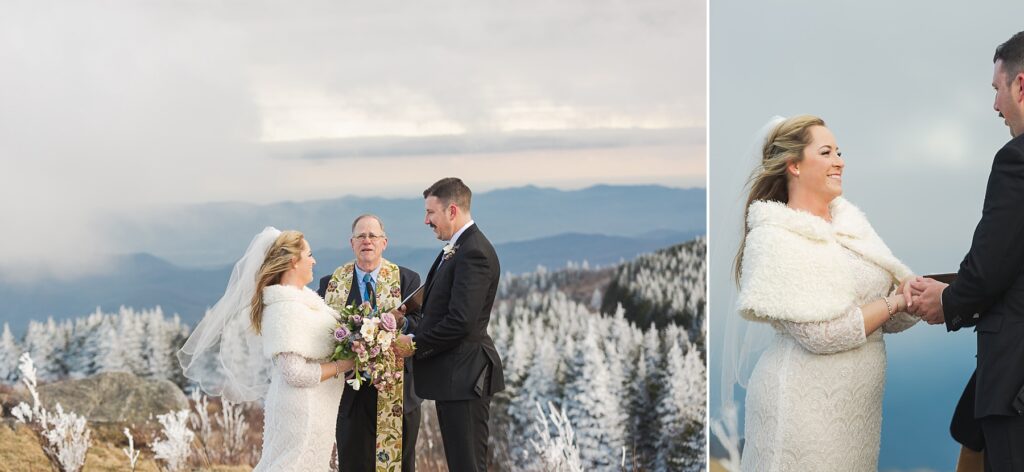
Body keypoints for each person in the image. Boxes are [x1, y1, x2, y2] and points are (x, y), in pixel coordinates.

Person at [732, 116, 919, 471]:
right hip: (801, 411)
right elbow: (821, 335)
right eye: (827, 152)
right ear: (794, 165)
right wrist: (894, 302)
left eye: (839, 152)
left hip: (854, 417)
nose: (840, 161)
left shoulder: (851, 223)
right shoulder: (775, 238)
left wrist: (912, 297)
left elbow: (885, 317)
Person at [908, 31, 1024, 471]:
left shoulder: (1017, 160)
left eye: (997, 90)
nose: (995, 106)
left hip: (1016, 389)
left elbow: (992, 265)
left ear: (1020, 85)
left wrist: (948, 302)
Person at [178, 228, 352, 471]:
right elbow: (293, 372)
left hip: (317, 407)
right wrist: (344, 365)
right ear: (293, 261)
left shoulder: (304, 300)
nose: (314, 261)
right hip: (302, 410)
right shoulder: (285, 309)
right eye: (309, 255)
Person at [395, 177, 505, 472]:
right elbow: (442, 299)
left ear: (452, 210)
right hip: (454, 378)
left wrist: (415, 343)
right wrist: (405, 314)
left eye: (431, 213)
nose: (426, 220)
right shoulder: (458, 248)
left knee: (467, 465)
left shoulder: (474, 253)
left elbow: (461, 322)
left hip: (467, 377)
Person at [317, 214, 422, 472]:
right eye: (361, 236)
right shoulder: (330, 284)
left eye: (373, 235)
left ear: (384, 242)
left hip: (398, 392)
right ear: (351, 243)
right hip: (350, 395)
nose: (367, 241)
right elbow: (320, 332)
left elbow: (422, 324)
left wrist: (399, 324)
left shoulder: (407, 280)